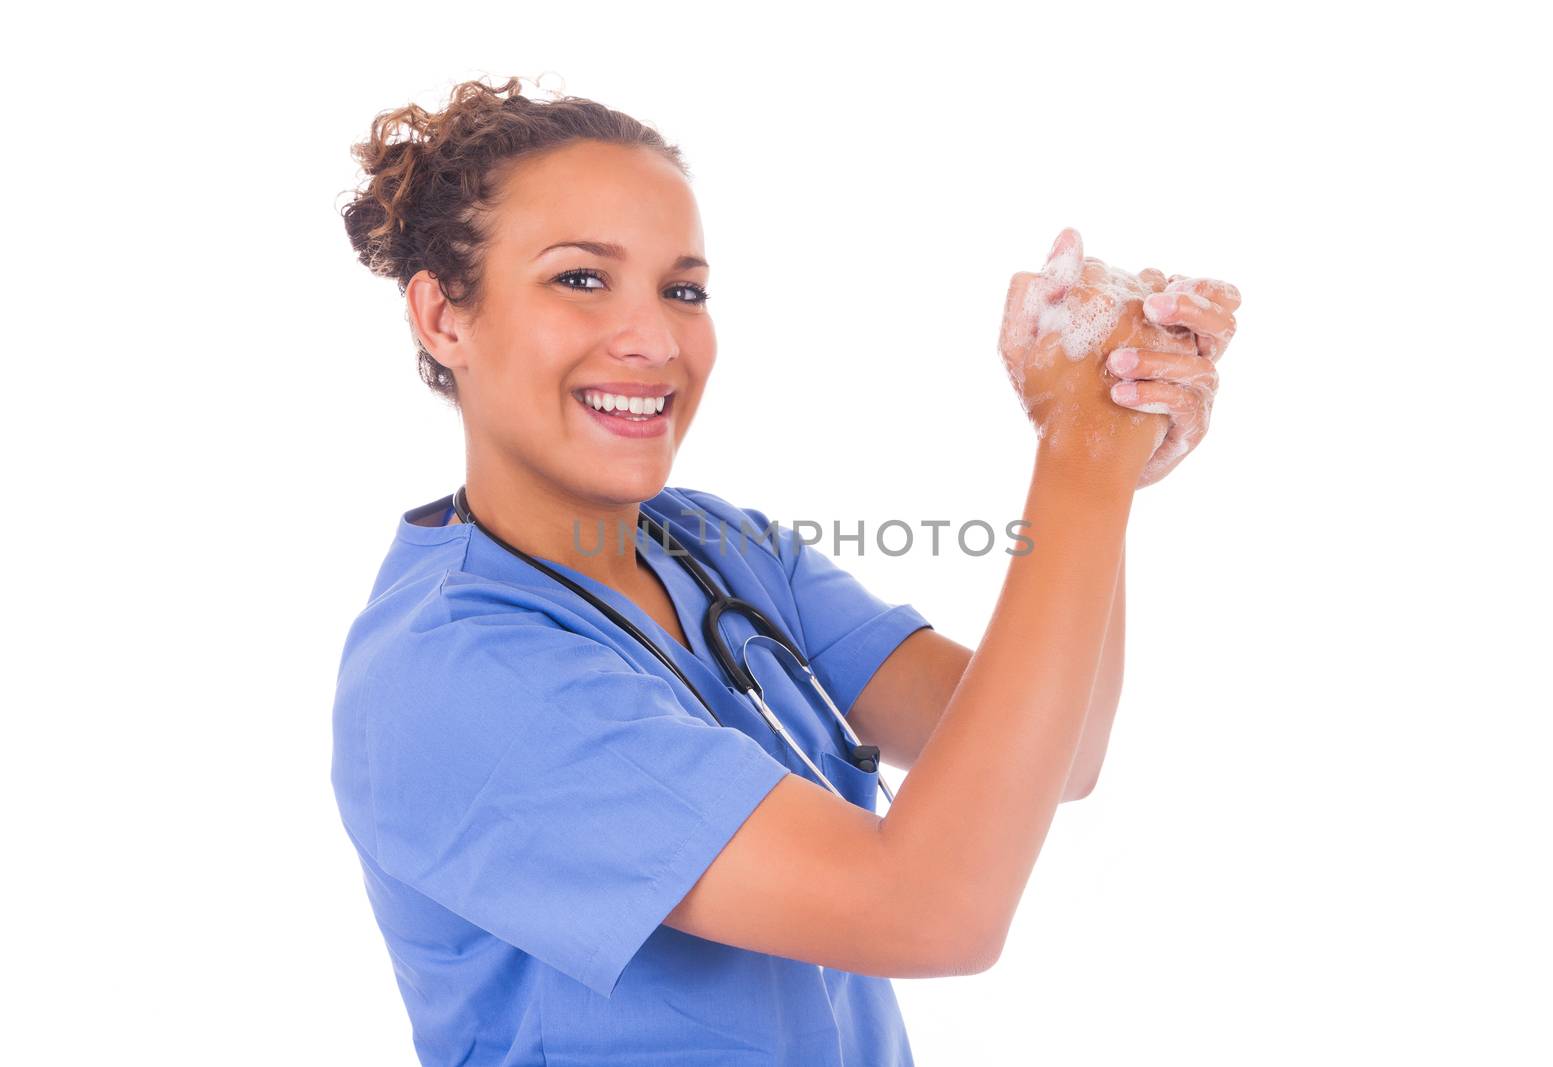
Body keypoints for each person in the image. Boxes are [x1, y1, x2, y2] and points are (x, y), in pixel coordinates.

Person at [329, 76, 1240, 1066]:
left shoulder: (715, 546)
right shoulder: (463, 672)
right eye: (581, 278)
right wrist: (1080, 455)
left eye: (683, 289)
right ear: (443, 316)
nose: (652, 339)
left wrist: (1111, 437)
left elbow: (1056, 756)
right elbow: (932, 910)